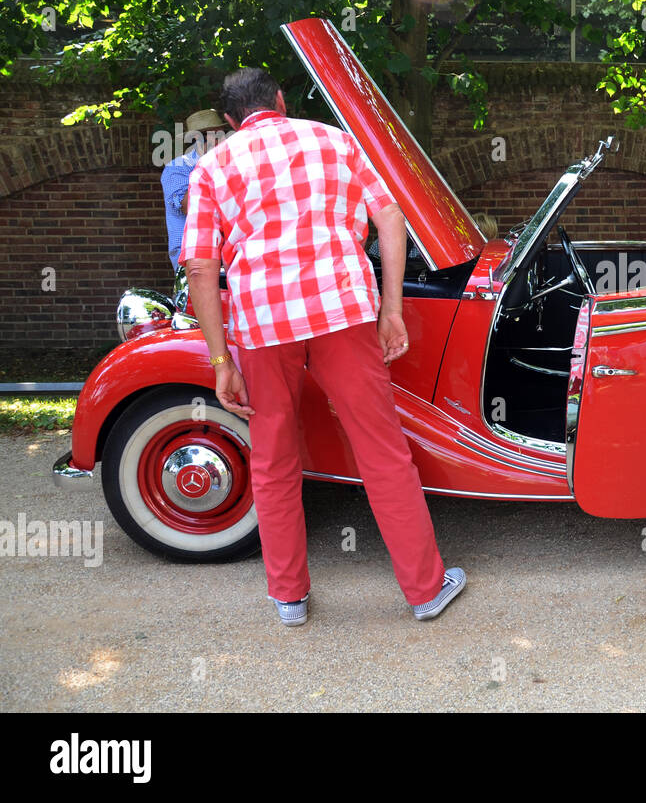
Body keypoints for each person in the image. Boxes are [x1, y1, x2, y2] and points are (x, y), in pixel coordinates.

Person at [179, 67, 464, 627]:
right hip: (342, 313)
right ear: (281, 100)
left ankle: (288, 598)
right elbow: (390, 217)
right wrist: (391, 308)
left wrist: (220, 361)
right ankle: (425, 590)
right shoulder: (335, 141)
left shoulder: (213, 166)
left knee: (273, 459)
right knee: (381, 450)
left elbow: (200, 267)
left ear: (232, 120)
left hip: (262, 326)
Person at [160, 109, 226, 271]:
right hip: (191, 259)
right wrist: (209, 164)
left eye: (222, 135)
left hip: (227, 257)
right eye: (212, 136)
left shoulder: (229, 165)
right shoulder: (177, 168)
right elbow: (189, 206)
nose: (220, 141)